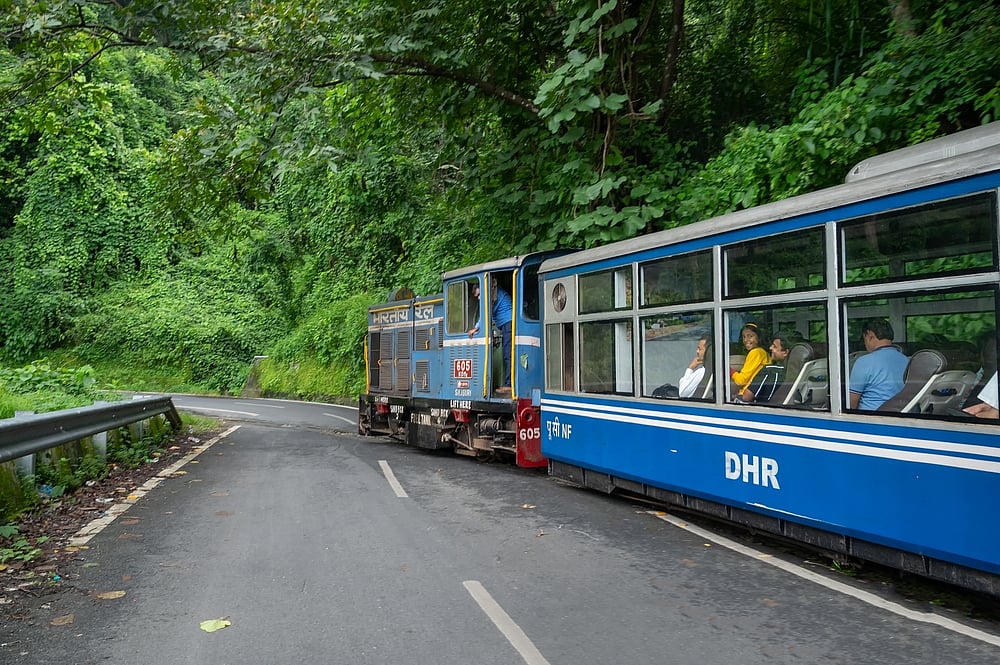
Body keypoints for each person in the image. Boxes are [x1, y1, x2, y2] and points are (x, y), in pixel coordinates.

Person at [848, 318, 909, 410]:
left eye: (864, 339)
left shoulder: (863, 362)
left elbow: (851, 402)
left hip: (871, 419)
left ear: (870, 336)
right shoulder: (907, 360)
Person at [468, 279, 513, 392]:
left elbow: (486, 314)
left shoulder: (493, 297)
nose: (479, 298)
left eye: (479, 295)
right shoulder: (494, 293)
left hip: (509, 323)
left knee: (508, 355)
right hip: (506, 324)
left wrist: (476, 327)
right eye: (477, 296)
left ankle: (509, 385)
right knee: (508, 354)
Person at [736, 334, 790, 404]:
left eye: (775, 346)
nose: (770, 348)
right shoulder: (793, 372)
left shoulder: (769, 371)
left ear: (785, 352)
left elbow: (746, 397)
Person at [729, 322, 769, 395]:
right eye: (744, 337)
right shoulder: (764, 352)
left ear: (758, 337)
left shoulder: (756, 352)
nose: (745, 340)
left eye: (750, 336)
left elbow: (741, 380)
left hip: (745, 395)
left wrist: (729, 370)